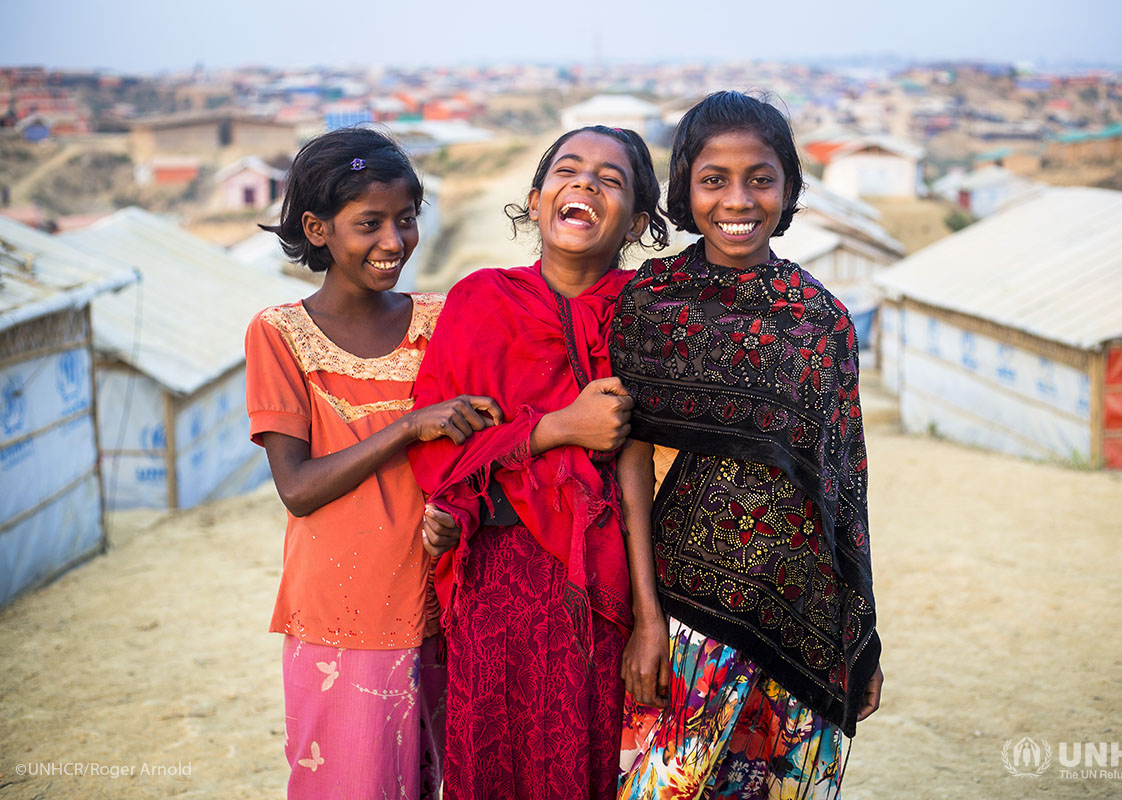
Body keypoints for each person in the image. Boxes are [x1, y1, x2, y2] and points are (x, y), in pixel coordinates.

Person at [610, 91, 884, 800]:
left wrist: (862, 637)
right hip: (682, 623)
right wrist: (646, 621)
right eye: (713, 179)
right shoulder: (650, 302)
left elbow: (844, 486)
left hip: (802, 623)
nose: (738, 199)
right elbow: (629, 464)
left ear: (788, 186)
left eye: (760, 178)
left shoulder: (820, 320)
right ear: (684, 187)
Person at [408, 125, 670, 800]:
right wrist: (558, 428)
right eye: (568, 170)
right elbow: (443, 454)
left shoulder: (643, 314)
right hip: (493, 589)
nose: (584, 183)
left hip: (595, 599)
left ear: (638, 221)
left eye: (610, 179)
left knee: (579, 775)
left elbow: (639, 470)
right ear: (535, 199)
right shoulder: (479, 301)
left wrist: (648, 620)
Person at [244, 127, 501, 799]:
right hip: (342, 614)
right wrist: (410, 424)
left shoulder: (442, 320)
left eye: (406, 219)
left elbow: (483, 450)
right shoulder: (279, 335)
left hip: (447, 602)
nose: (394, 241)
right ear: (317, 228)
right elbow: (298, 488)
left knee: (449, 779)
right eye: (369, 224)